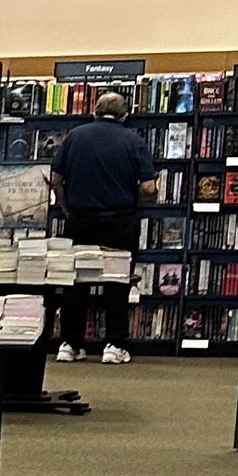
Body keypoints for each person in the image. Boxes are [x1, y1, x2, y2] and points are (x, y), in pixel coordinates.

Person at [51, 88, 152, 363]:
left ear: (94, 111)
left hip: (80, 220)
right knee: (117, 283)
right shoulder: (133, 140)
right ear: (124, 115)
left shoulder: (74, 137)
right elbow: (148, 186)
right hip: (119, 221)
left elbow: (57, 179)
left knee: (76, 282)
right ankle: (113, 345)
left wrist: (66, 209)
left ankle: (70, 344)